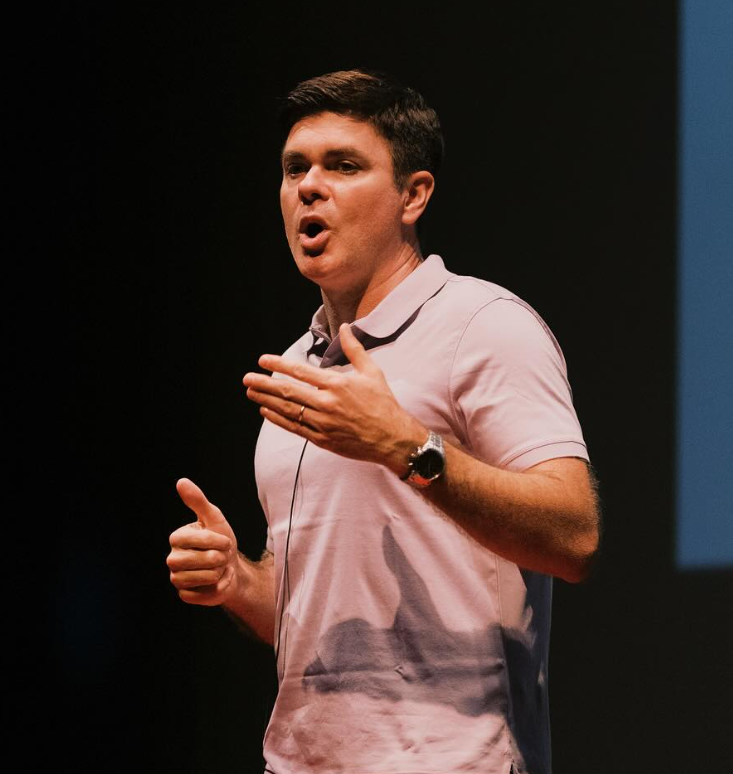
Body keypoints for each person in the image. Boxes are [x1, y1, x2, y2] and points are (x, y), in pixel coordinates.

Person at [166, 69, 600, 774]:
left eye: (343, 166)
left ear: (412, 194)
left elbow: (574, 534)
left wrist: (406, 447)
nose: (310, 186)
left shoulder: (481, 325)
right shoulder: (296, 368)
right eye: (293, 168)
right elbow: (313, 622)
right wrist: (239, 583)